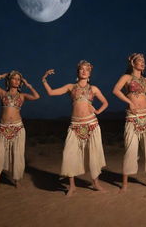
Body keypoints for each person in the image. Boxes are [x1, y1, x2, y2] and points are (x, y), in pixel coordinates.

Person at [42, 60, 108, 196]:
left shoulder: (94, 89)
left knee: (93, 155)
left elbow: (105, 102)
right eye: (81, 69)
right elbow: (51, 93)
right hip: (75, 125)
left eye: (87, 69)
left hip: (91, 124)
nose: (84, 71)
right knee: (69, 154)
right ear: (77, 72)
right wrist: (44, 80)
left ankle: (96, 183)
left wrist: (98, 111)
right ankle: (72, 186)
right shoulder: (70, 87)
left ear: (90, 73)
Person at [113, 53, 146, 192]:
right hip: (133, 117)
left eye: (144, 61)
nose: (142, 63)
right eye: (139, 60)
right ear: (132, 63)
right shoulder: (126, 77)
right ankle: (125, 183)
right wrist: (129, 102)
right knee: (130, 150)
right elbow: (115, 90)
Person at [0, 71, 40, 188]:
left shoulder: (22, 96)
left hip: (18, 128)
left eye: (19, 79)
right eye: (14, 78)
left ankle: (17, 181)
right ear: (9, 80)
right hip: (2, 128)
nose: (17, 81)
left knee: (18, 155)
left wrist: (28, 85)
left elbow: (37, 96)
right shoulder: (2, 93)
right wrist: (2, 75)